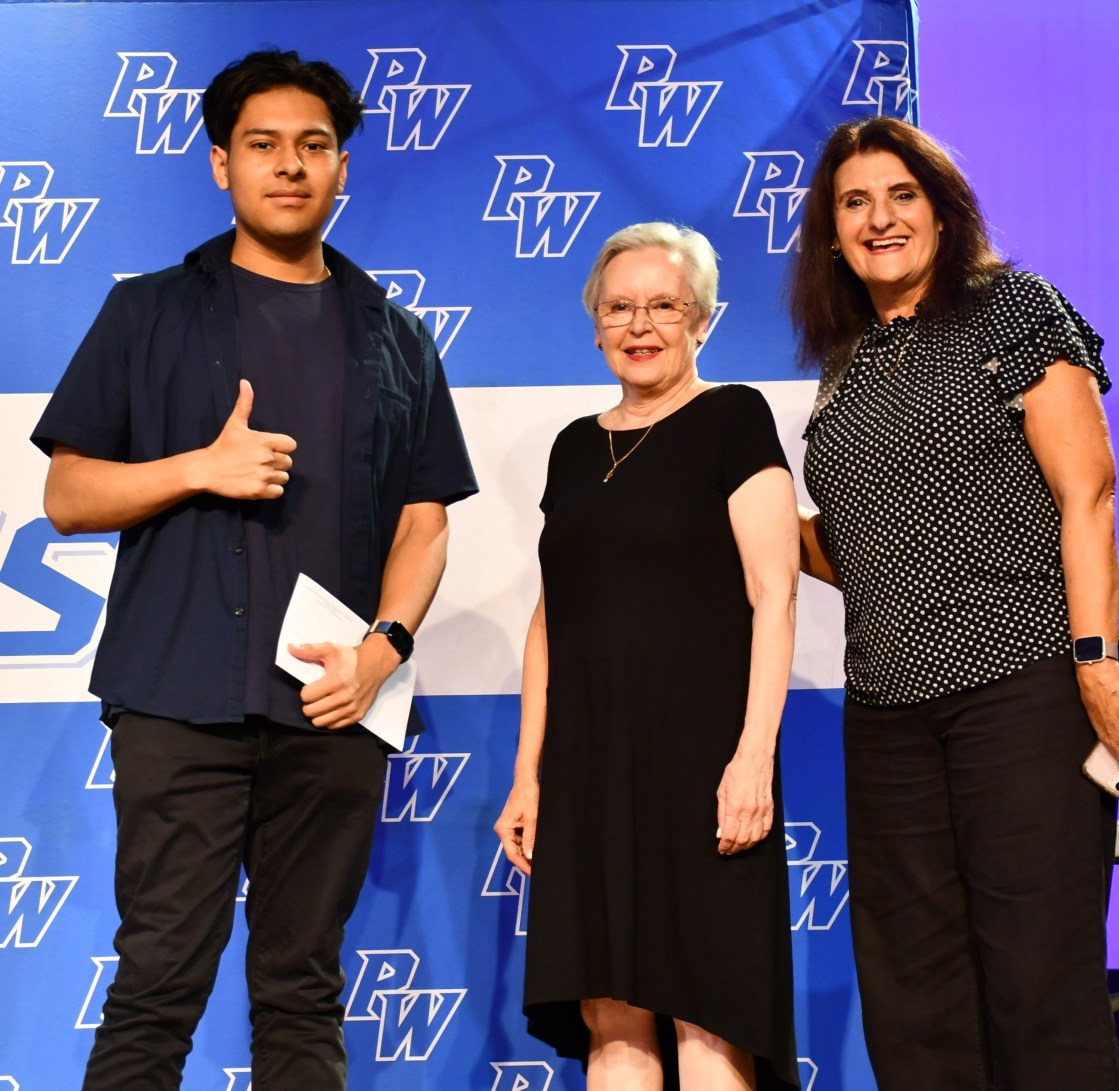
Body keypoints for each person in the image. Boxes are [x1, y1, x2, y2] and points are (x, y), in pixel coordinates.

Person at [31, 49, 476, 1089]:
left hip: (333, 706)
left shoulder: (397, 334)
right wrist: (200, 467)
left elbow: (424, 520)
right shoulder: (147, 312)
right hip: (179, 699)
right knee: (157, 983)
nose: (291, 166)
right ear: (220, 164)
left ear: (344, 168)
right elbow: (67, 495)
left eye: (314, 146)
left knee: (302, 983)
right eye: (264, 146)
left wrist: (385, 648)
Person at [788, 116, 1119, 1091]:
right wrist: (737, 512)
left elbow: (1086, 491)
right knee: (913, 999)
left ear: (942, 207)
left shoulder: (1010, 308)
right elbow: (873, 549)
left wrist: (1098, 667)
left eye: (901, 194)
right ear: (830, 233)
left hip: (1022, 693)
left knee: (1038, 984)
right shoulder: (846, 363)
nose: (880, 218)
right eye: (854, 202)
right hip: (885, 716)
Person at [494, 222, 801, 1091]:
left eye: (665, 305)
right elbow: (553, 621)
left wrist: (753, 759)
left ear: (702, 319)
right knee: (612, 1019)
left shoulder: (735, 418)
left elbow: (774, 595)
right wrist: (528, 775)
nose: (640, 324)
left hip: (704, 762)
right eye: (620, 306)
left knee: (709, 1018)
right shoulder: (574, 446)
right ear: (594, 324)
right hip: (590, 768)